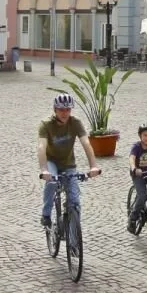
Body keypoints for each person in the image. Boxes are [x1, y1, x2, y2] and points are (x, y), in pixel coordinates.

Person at [38, 93, 102, 227]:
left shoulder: (75, 123)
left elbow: (86, 143)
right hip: (51, 161)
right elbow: (41, 146)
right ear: (55, 110)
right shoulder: (46, 124)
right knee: (51, 183)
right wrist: (44, 169)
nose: (64, 113)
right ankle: (46, 215)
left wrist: (93, 166)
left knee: (75, 200)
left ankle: (74, 237)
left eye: (68, 109)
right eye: (61, 109)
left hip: (68, 163)